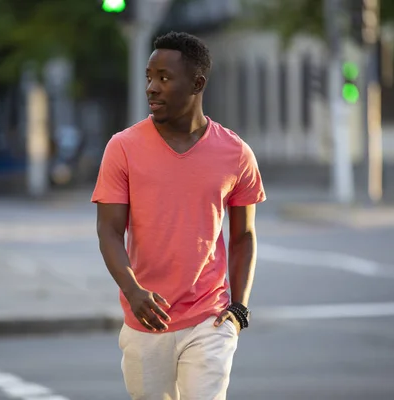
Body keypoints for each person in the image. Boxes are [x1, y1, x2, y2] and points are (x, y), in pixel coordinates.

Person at [92, 31, 266, 399]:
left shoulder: (235, 154)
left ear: (197, 83)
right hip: (145, 320)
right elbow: (109, 231)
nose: (152, 88)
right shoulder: (122, 148)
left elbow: (244, 236)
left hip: (210, 318)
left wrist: (240, 307)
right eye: (149, 77)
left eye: (165, 78)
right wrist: (132, 291)